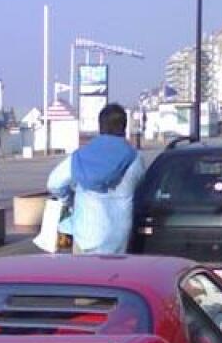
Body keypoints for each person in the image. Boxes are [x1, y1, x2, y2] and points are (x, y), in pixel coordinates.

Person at [45, 102, 146, 255]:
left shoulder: (80, 156)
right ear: (124, 127)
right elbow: (142, 190)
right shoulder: (135, 158)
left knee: (85, 277)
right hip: (119, 237)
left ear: (100, 127)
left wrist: (69, 200)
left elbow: (54, 183)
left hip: (86, 235)